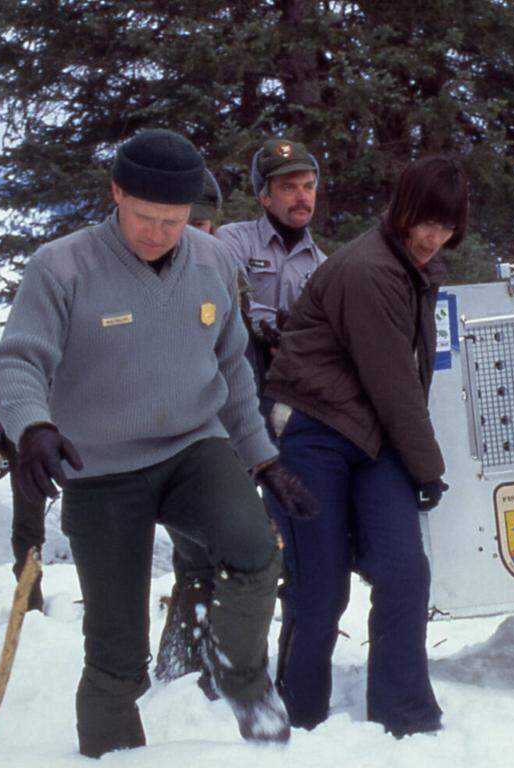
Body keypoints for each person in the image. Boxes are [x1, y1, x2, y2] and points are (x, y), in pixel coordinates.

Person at [0, 128, 317, 757]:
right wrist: (33, 426)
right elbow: (17, 363)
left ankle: (241, 677)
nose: (160, 232)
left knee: (254, 552)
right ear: (116, 194)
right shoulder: (62, 266)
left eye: (175, 219)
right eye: (146, 216)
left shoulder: (213, 260)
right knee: (117, 649)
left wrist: (264, 459)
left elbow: (232, 372)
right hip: (100, 467)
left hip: (192, 449)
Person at [263, 155, 466, 737]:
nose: (433, 236)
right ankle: (299, 714)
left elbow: (403, 384)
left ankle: (404, 712)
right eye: (425, 222)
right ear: (401, 211)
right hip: (312, 431)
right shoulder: (370, 269)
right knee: (320, 585)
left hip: (372, 435)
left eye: (446, 226)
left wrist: (414, 464)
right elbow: (392, 381)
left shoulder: (415, 269)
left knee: (404, 571)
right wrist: (428, 468)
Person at [153, 166, 228, 691]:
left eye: (207, 226)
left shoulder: (212, 273)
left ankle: (185, 666)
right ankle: (186, 670)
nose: (202, 237)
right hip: (171, 445)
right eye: (193, 225)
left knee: (201, 559)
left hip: (214, 440)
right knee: (199, 558)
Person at [217, 138, 327, 383]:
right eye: (289, 187)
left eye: (308, 187)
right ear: (265, 197)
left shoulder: (323, 264)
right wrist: (281, 331)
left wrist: (295, 340)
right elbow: (233, 304)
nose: (302, 197)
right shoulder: (234, 239)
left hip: (297, 380)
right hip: (241, 376)